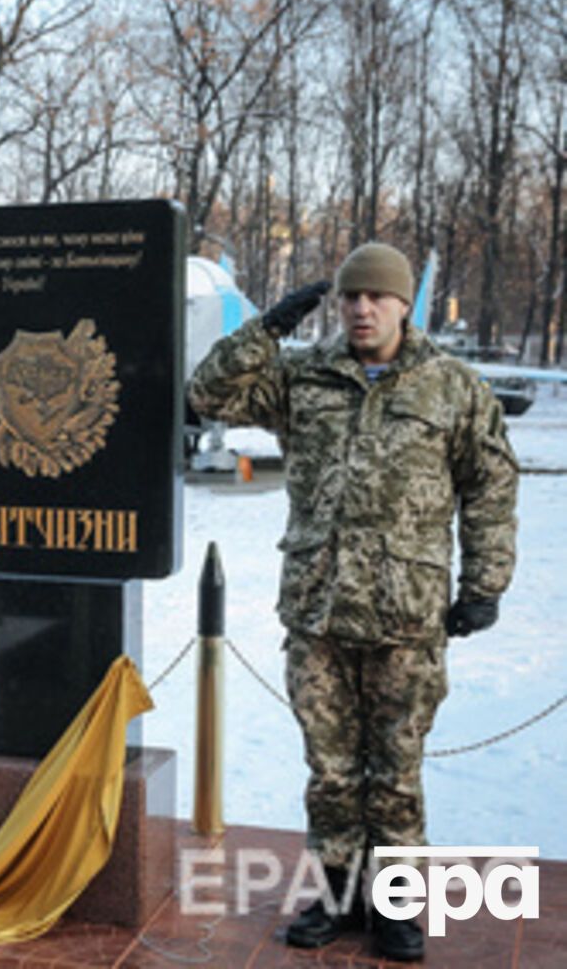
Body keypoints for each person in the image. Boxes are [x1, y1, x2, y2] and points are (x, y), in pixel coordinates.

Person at [188, 242, 517, 963]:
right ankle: (337, 898)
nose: (362, 308)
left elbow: (490, 484)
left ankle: (394, 908)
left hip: (408, 615)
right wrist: (265, 328)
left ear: (402, 304)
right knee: (331, 768)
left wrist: (484, 585)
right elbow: (203, 394)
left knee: (395, 771)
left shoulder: (451, 386)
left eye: (377, 297)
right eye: (351, 297)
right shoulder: (305, 378)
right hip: (319, 608)